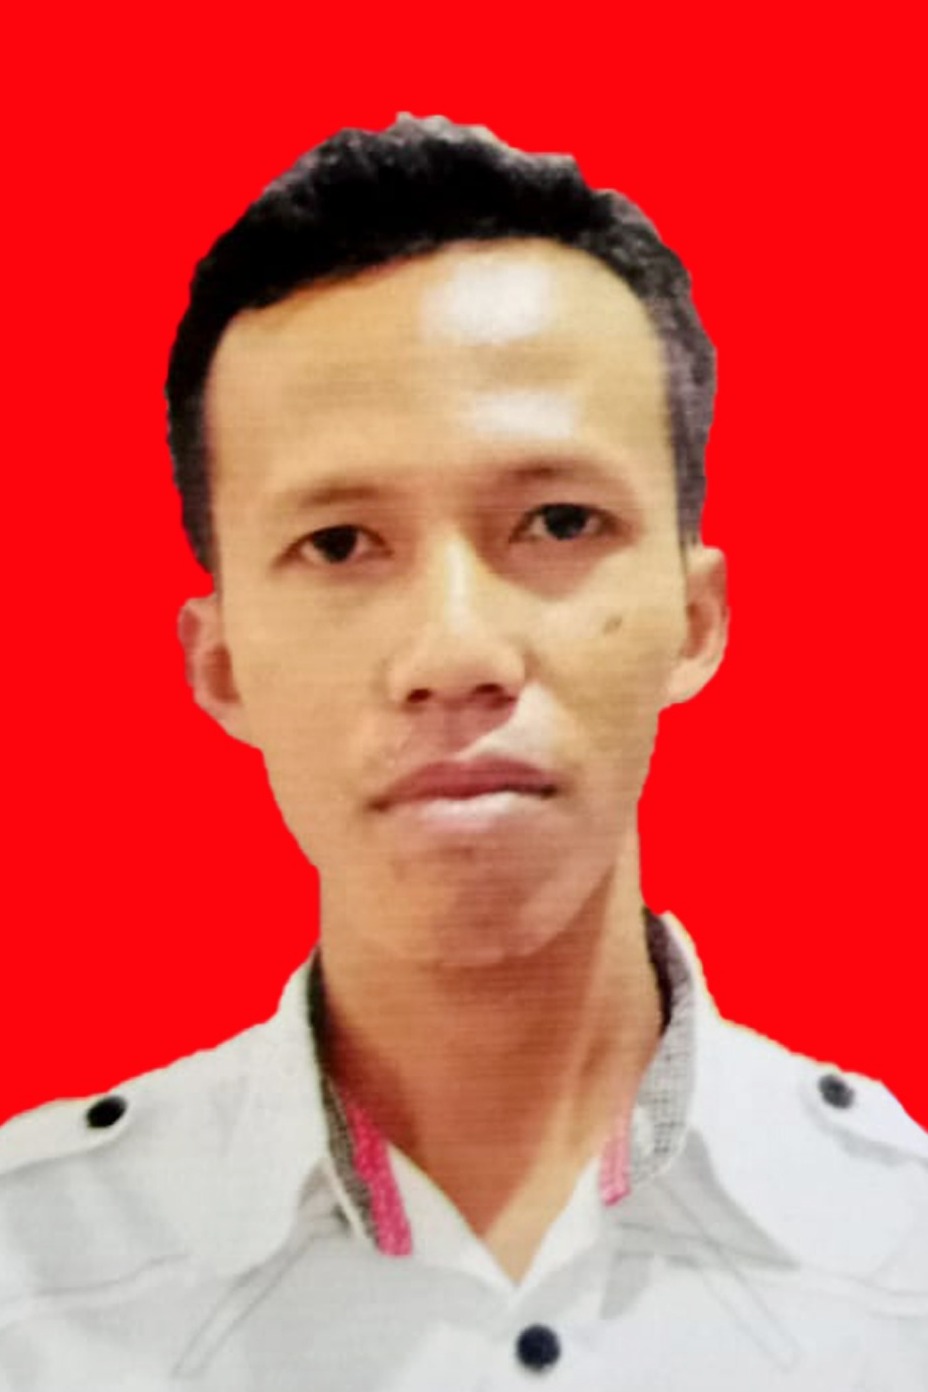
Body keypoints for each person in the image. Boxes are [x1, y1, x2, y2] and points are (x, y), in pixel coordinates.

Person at [0, 116, 925, 1391]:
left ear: (695, 619)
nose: (453, 650)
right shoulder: (30, 1283)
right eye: (339, 544)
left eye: (558, 521)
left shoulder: (903, 1257)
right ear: (219, 666)